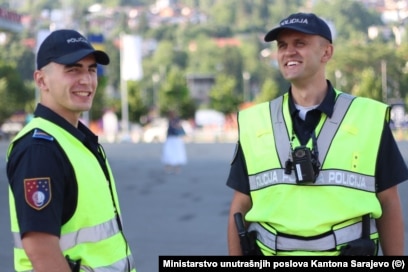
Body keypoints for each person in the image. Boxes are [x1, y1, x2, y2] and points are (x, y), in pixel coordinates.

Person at [226, 12, 408, 256]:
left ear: (326, 53)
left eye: (299, 43)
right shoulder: (254, 122)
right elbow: (240, 205)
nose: (288, 51)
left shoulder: (368, 118)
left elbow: (389, 202)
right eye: (282, 45)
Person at [6, 29, 136, 271]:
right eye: (73, 70)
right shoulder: (40, 149)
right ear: (41, 80)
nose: (86, 80)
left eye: (91, 69)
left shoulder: (75, 139)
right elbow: (41, 249)